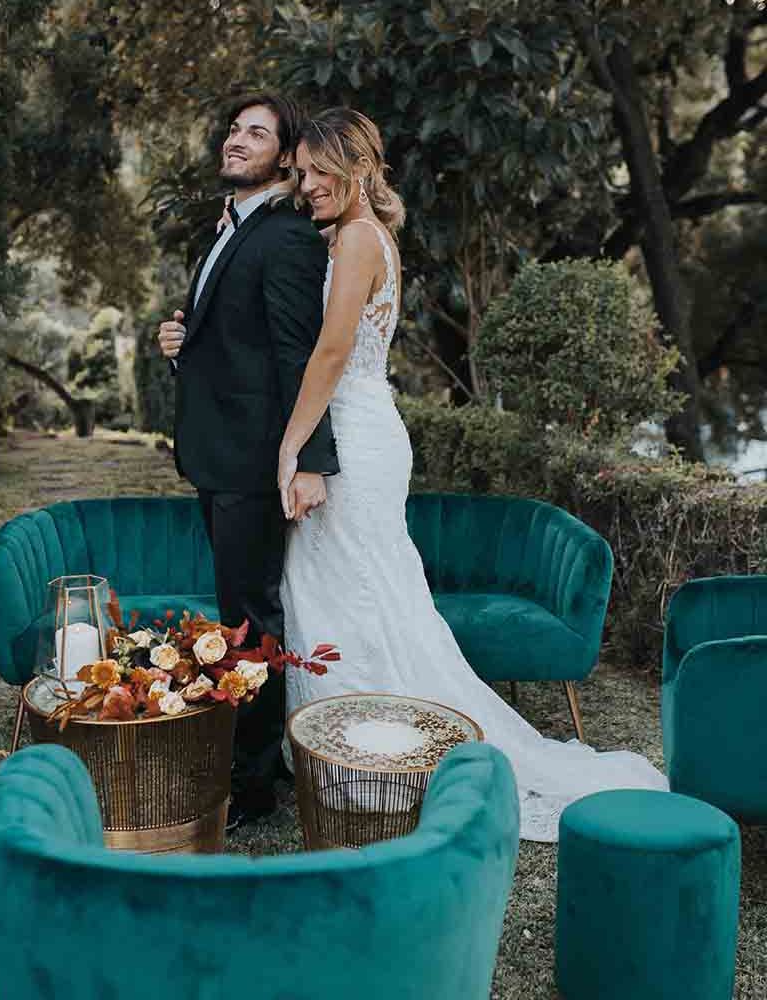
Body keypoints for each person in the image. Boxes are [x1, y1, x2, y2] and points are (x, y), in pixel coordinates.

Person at [277, 107, 667, 842]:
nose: (307, 185)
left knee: (353, 595)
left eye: (319, 171)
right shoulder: (363, 235)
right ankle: (360, 751)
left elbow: (331, 353)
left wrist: (292, 446)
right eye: (300, 173)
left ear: (358, 167)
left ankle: (380, 755)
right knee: (356, 593)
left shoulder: (358, 238)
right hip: (367, 427)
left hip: (354, 437)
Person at [157, 92, 339, 830]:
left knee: (250, 622)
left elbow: (301, 355)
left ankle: (253, 785)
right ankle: (254, 764)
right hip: (217, 454)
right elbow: (238, 344)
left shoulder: (288, 237)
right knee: (240, 615)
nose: (236, 140)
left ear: (286, 156)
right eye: (234, 129)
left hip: (254, 460)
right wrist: (181, 345)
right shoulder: (230, 227)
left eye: (256, 134)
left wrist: (309, 461)